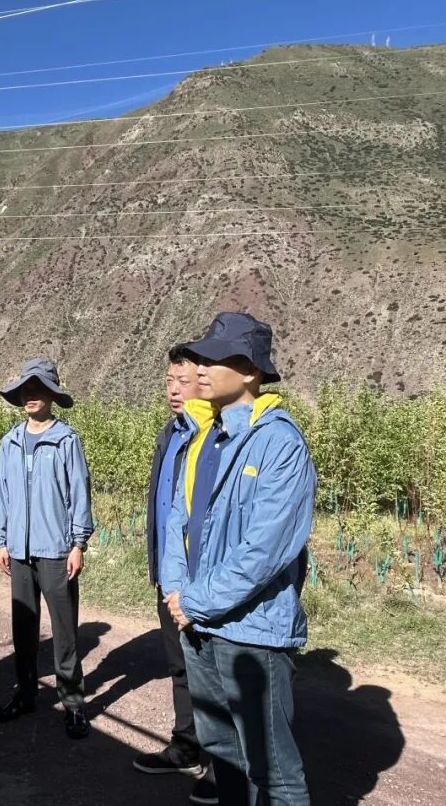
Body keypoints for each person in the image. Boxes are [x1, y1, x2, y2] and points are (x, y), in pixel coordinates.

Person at [161, 312, 316, 806]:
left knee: (273, 771)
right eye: (200, 359)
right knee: (222, 751)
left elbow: (267, 548)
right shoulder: (204, 436)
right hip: (198, 623)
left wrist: (195, 601)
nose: (201, 369)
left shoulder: (280, 444)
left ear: (250, 371)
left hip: (252, 629)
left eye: (215, 359)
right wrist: (175, 590)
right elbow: (178, 519)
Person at [0, 357, 93, 740]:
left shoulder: (66, 440)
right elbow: (0, 494)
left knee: (64, 631)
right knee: (23, 628)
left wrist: (78, 543)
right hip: (18, 551)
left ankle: (73, 703)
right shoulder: (10, 442)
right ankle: (25, 693)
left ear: (52, 395)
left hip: (56, 550)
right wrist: (1, 540)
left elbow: (79, 493)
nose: (30, 395)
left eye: (38, 388)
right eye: (25, 389)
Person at [134, 343, 218, 803]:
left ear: (204, 383)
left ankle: (222, 764)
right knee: (180, 666)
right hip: (169, 576)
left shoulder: (216, 436)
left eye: (182, 381)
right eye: (168, 381)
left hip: (202, 580)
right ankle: (186, 747)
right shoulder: (171, 433)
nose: (173, 390)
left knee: (213, 673)